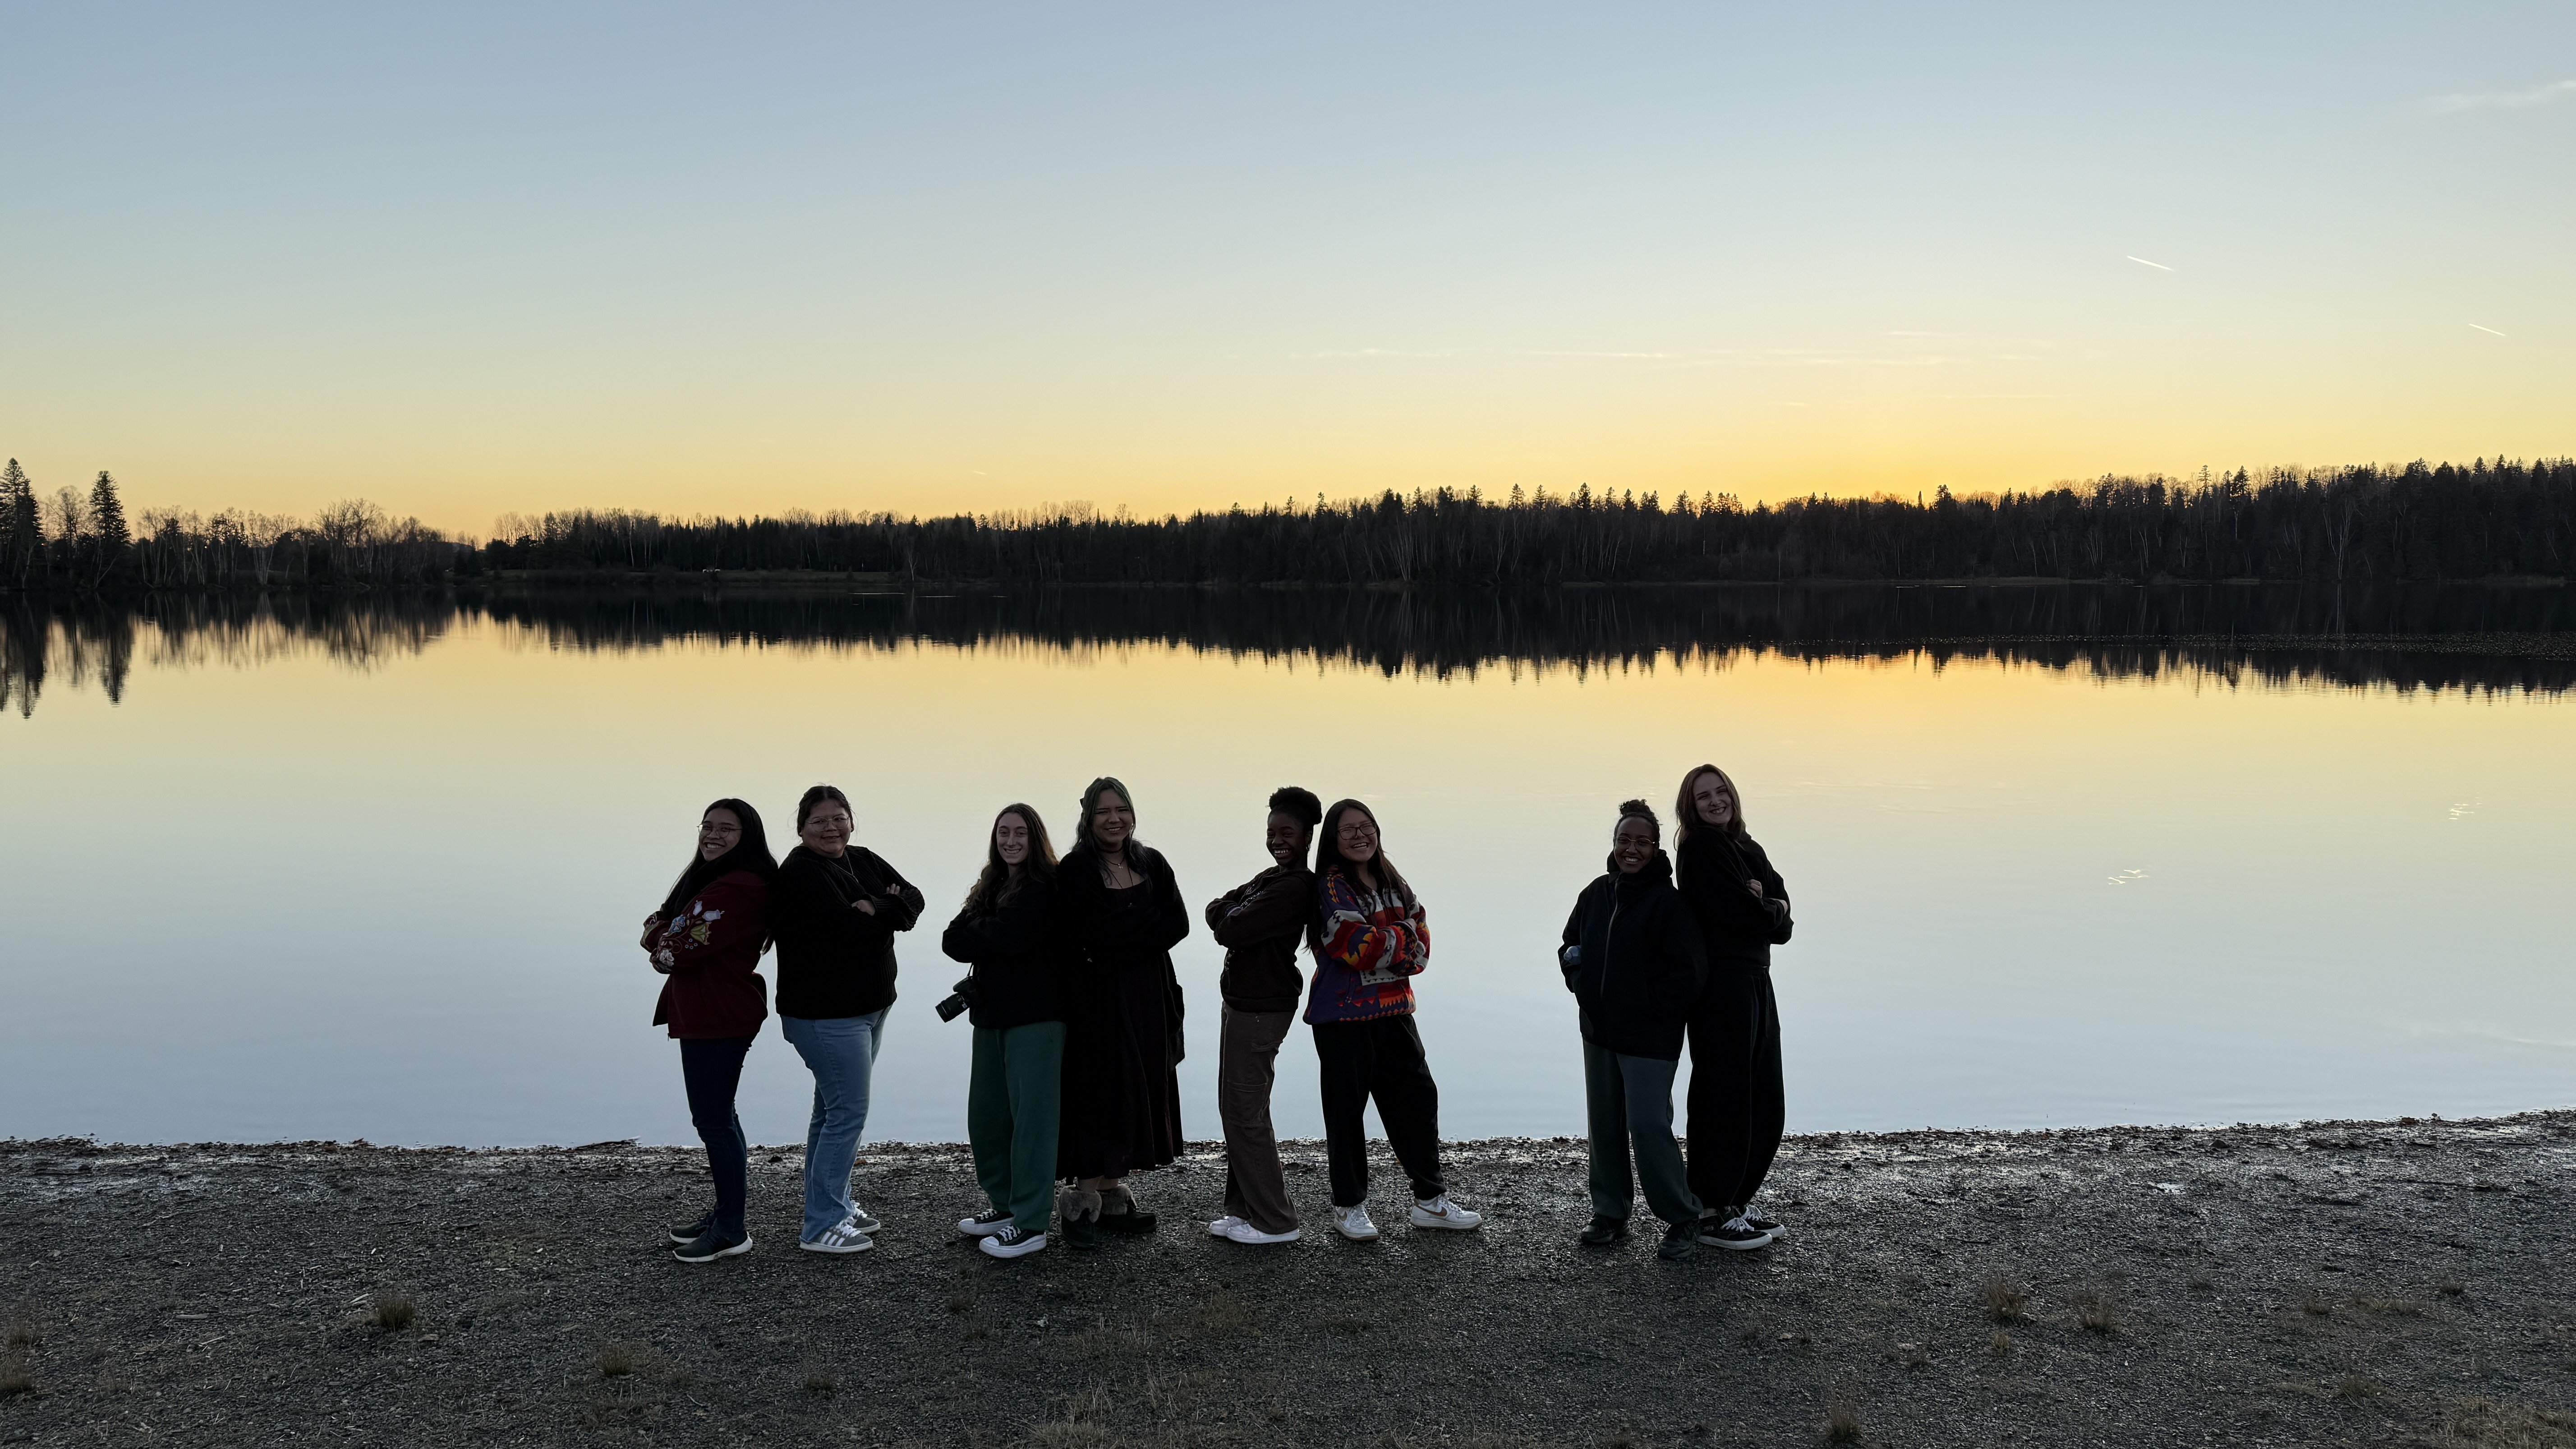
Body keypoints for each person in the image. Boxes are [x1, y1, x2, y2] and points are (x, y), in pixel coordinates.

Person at [1306, 798, 1483, 1241]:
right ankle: (1350, 1207)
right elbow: (1351, 944)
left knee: (1418, 1101)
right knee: (1346, 1114)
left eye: (1366, 827)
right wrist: (1398, 941)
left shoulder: (1392, 879)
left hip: (1395, 1012)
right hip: (1343, 1018)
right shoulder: (1330, 887)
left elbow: (1421, 938)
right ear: (1333, 838)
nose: (1359, 836)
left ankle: (1430, 1201)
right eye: (1348, 830)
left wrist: (1391, 943)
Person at [768, 784, 925, 1255]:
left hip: (870, 1008)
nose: (831, 828)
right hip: (826, 1016)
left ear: (852, 821)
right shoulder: (800, 873)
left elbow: (913, 900)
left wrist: (878, 905)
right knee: (847, 1114)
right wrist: (884, 913)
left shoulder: (863, 859)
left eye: (839, 818)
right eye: (819, 821)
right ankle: (821, 1226)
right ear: (801, 828)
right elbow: (848, 936)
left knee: (830, 1111)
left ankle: (833, 1202)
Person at [1559, 800, 1708, 1261]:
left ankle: (1682, 1217)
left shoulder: (1669, 903)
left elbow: (1690, 974)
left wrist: (1649, 1008)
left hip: (1649, 1038)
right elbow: (1570, 947)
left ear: (1656, 848)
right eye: (1625, 840)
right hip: (1598, 1032)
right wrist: (1581, 985)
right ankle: (1610, 1213)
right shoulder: (1596, 894)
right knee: (1604, 1125)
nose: (1632, 849)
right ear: (1614, 843)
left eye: (1642, 842)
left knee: (1647, 1125)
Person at [1052, 776, 1190, 1249]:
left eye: (1122, 810)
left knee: (1140, 1087)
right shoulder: (1075, 869)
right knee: (1101, 1091)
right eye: (1103, 812)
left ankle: (1111, 1194)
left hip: (1151, 994)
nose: (1115, 820)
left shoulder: (1152, 862)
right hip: (1098, 1001)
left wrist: (1124, 934)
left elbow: (1179, 923)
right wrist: (1139, 930)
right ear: (1088, 819)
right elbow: (1091, 935)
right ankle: (1082, 1200)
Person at [643, 798, 778, 1264]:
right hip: (715, 1009)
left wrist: (661, 932)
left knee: (713, 1122)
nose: (713, 835)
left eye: (727, 829)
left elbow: (669, 952)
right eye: (708, 826)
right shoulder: (719, 882)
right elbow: (666, 932)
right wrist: (665, 930)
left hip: (717, 1014)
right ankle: (725, 1214)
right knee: (723, 1117)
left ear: (748, 837)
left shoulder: (735, 891)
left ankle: (732, 1230)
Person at [1673, 763, 1794, 1251]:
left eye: (1721, 791)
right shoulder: (1700, 848)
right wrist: (1766, 906)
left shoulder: (1747, 848)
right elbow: (1744, 915)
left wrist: (1770, 906)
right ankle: (1708, 1208)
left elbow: (1783, 925)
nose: (1716, 801)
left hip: (1757, 980)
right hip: (1722, 984)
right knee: (1724, 1092)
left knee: (1764, 1096)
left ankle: (1736, 1201)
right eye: (1704, 796)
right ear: (1691, 806)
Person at [942, 804, 1070, 1261]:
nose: (1011, 841)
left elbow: (1011, 937)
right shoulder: (992, 884)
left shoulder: (1047, 888)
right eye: (1003, 833)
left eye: (1020, 833)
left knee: (1033, 1125)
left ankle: (1032, 1223)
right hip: (990, 1019)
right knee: (988, 1119)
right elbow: (952, 941)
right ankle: (1004, 1206)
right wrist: (992, 932)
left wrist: (990, 934)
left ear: (1035, 838)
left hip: (1038, 1021)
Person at [1201, 786, 1324, 1246]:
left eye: (1287, 832)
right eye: (1272, 832)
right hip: (1241, 1005)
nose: (1277, 840)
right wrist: (1234, 911)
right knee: (1238, 1110)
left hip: (1260, 1010)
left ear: (1307, 836)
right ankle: (1243, 1209)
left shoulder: (1294, 887)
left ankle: (1276, 1221)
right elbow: (1217, 907)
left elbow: (1229, 926)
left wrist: (1235, 914)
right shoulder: (1270, 878)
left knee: (1244, 1112)